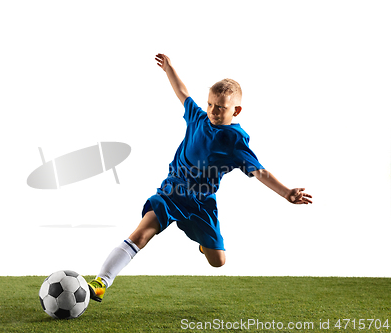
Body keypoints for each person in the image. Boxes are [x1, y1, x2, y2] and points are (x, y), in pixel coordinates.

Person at [87, 53, 313, 302]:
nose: (213, 111)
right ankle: (100, 282)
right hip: (171, 192)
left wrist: (286, 193)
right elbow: (183, 93)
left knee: (218, 261)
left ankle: (204, 244)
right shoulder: (198, 118)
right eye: (210, 105)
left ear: (235, 110)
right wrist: (169, 70)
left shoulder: (235, 141)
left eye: (221, 107)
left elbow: (259, 171)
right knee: (140, 235)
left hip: (202, 203)